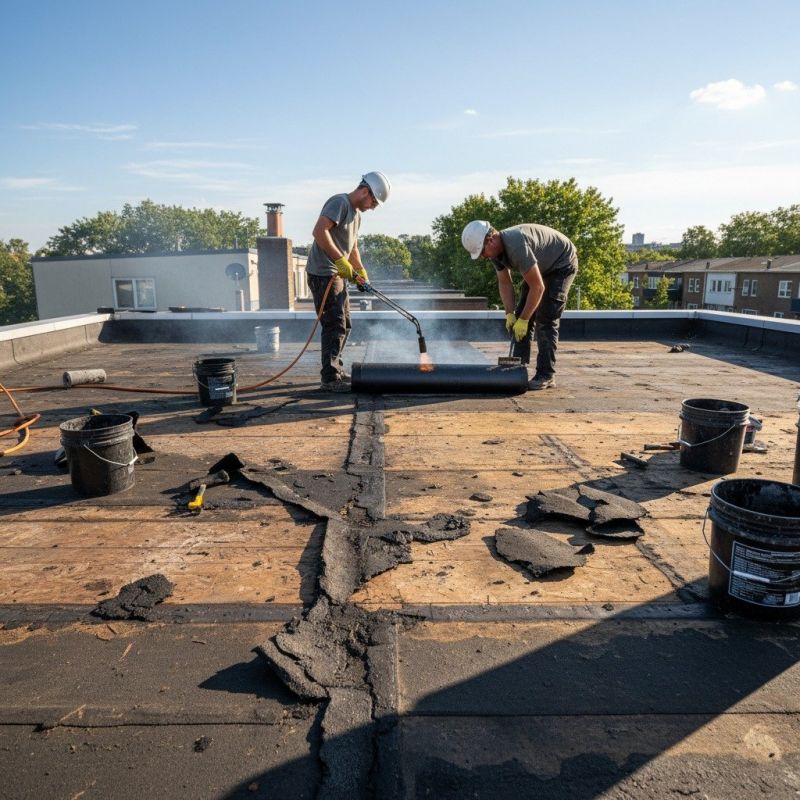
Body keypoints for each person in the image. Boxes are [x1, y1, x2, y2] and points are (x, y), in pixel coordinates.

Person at [461, 220, 579, 390]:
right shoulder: (495, 253)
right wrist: (510, 314)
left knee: (546, 318)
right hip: (541, 266)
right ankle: (517, 368)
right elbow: (505, 284)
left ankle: (546, 375)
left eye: (482, 252)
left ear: (491, 239)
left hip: (562, 263)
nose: (483, 257)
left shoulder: (516, 246)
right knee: (522, 315)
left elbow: (538, 287)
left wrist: (523, 319)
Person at [306, 172, 391, 392]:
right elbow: (319, 231)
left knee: (346, 324)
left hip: (337, 273)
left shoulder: (357, 216)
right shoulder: (340, 202)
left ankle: (336, 368)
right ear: (365, 191)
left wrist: (360, 270)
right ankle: (330, 377)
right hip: (324, 273)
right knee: (334, 324)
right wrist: (340, 261)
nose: (373, 207)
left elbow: (352, 247)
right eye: (373, 201)